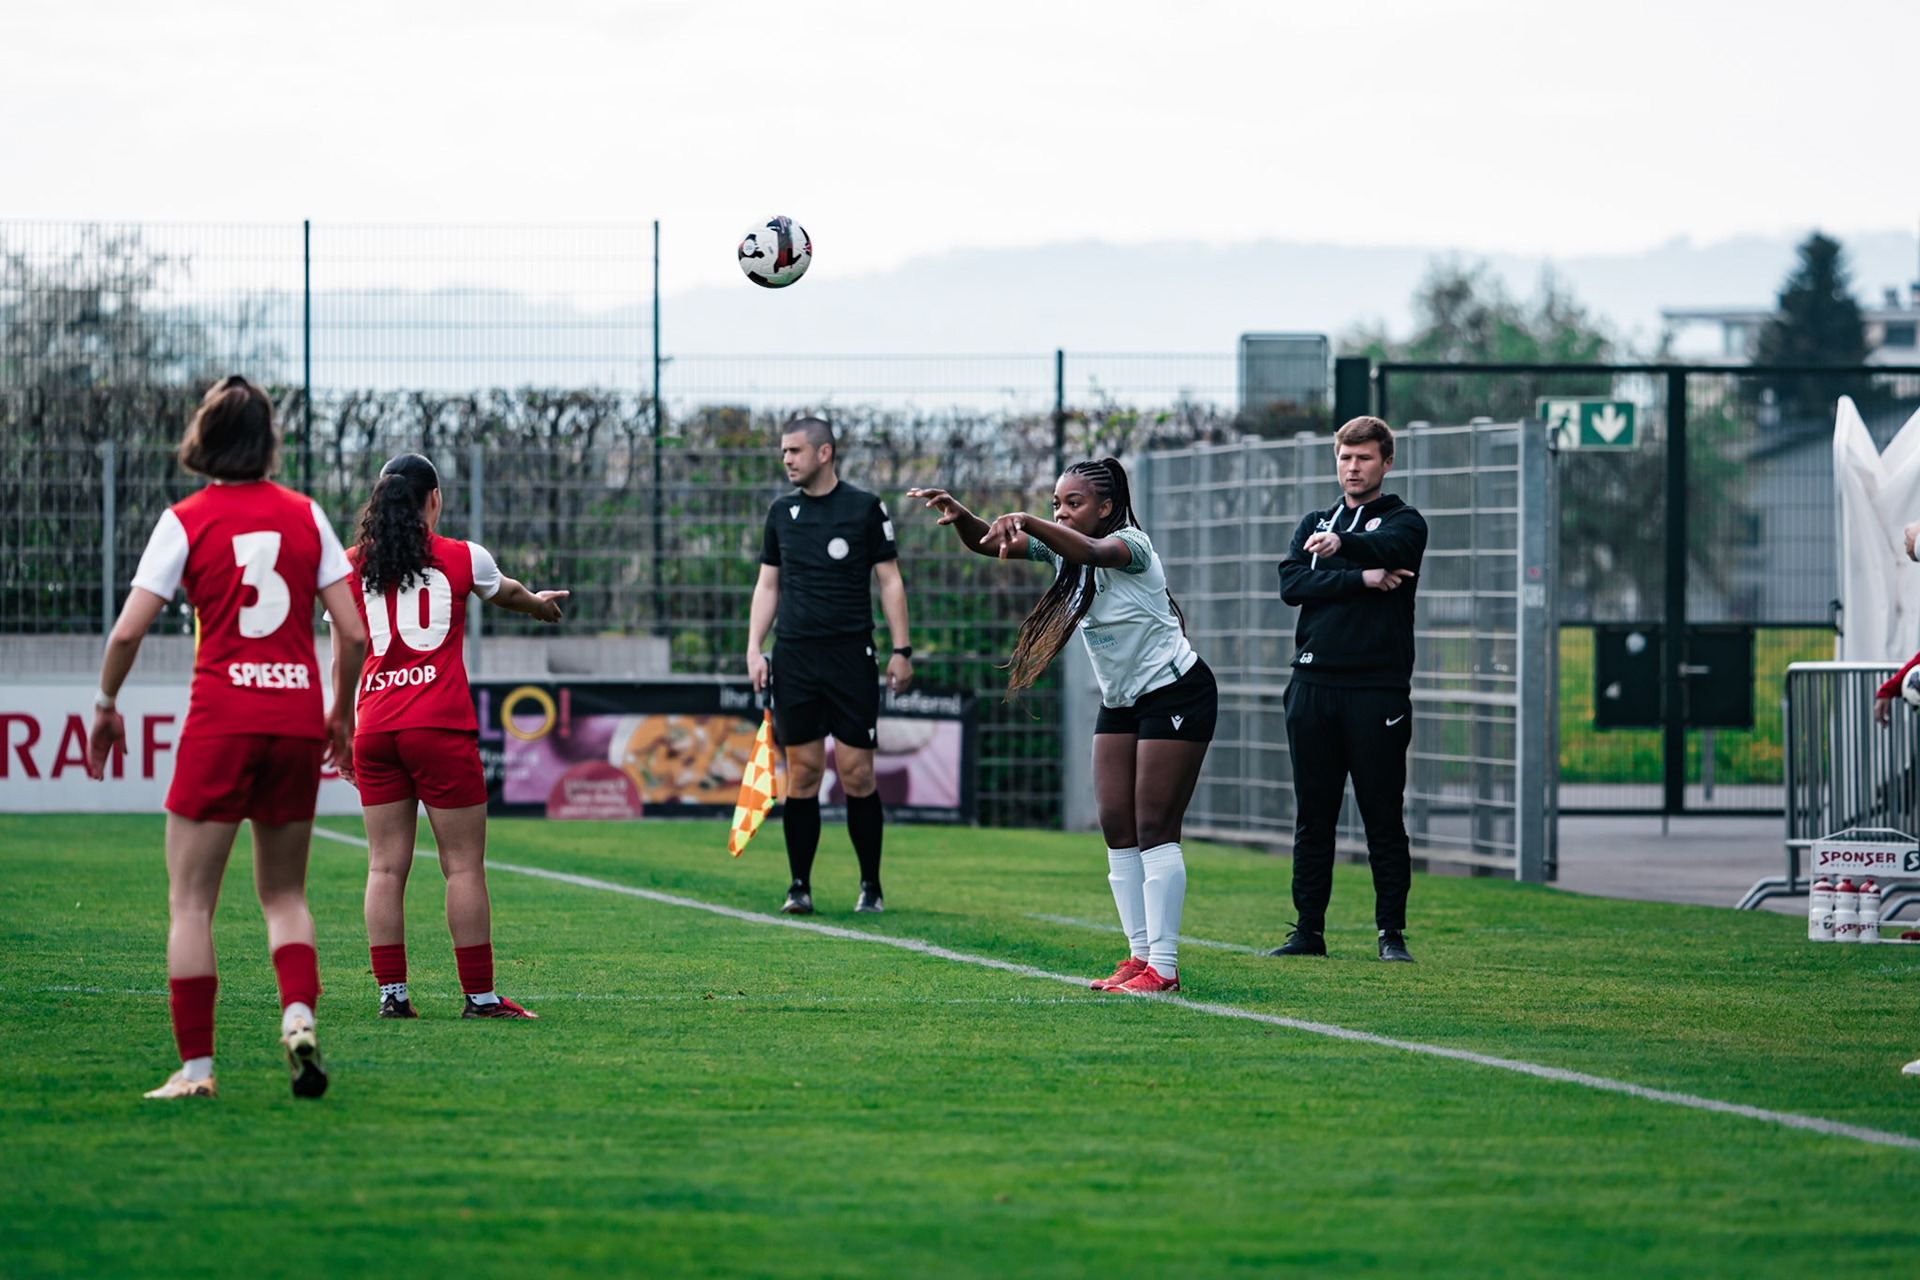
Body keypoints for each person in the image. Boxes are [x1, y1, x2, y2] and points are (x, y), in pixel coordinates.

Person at [85, 376, 368, 1100]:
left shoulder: (185, 520)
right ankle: (298, 1017)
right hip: (295, 720)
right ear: (269, 441)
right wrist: (339, 713)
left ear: (204, 437)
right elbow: (353, 631)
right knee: (285, 896)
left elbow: (127, 633)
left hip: (221, 720)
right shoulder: (307, 515)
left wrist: (107, 703)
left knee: (191, 904)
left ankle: (197, 1071)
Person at [908, 457, 1215, 994]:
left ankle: (1164, 969)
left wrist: (1028, 519)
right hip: (1122, 700)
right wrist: (963, 518)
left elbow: (1094, 551)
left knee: (1154, 827)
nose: (1062, 512)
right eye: (1056, 504)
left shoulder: (1132, 546)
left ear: (1107, 507)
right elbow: (988, 543)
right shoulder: (1061, 551)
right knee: (1116, 824)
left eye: (1074, 503)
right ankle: (1139, 957)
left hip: (1176, 691)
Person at [341, 453, 569, 1020]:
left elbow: (345, 651)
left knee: (383, 867)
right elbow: (508, 593)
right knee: (463, 866)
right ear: (434, 499)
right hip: (439, 726)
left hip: (375, 727)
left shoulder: (350, 566)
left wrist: (344, 729)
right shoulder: (464, 557)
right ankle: (480, 998)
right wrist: (538, 606)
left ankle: (393, 996)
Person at [1269, 415, 1428, 963]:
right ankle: (1308, 932)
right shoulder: (1314, 521)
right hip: (1312, 684)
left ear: (1387, 462)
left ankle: (1391, 934)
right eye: (1345, 457)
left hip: (1376, 689)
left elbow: (1391, 549)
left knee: (1382, 816)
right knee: (1314, 816)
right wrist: (1360, 578)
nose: (1353, 467)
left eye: (1364, 458)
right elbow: (1292, 583)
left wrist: (1346, 547)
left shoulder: (1405, 521)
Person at [747, 417, 913, 915]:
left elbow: (889, 580)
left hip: (850, 657)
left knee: (857, 772)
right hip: (795, 657)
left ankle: (871, 886)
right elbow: (768, 585)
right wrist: (754, 648)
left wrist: (901, 650)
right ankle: (799, 886)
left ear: (824, 453)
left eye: (794, 450)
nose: (786, 459)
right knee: (802, 774)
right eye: (783, 451)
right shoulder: (781, 512)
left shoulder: (864, 507)